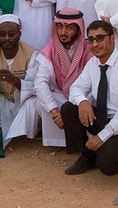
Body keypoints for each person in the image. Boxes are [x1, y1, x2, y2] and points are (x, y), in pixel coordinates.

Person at [61, 20, 118, 176]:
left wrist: (101, 137)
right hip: (106, 119)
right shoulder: (92, 63)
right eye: (91, 39)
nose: (95, 44)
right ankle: (87, 156)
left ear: (112, 38)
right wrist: (83, 101)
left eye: (100, 38)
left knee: (107, 165)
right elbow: (75, 88)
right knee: (69, 108)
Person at [0, 15, 41, 145]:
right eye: (2, 34)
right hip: (2, 101)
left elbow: (35, 87)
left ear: (19, 34)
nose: (6, 38)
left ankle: (26, 136)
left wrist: (14, 80)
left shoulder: (32, 54)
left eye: (11, 34)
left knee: (34, 103)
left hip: (22, 102)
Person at [34, 8, 93, 147]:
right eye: (60, 26)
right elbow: (40, 82)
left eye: (69, 27)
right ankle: (60, 142)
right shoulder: (49, 50)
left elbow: (94, 81)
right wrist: (55, 112)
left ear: (78, 30)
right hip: (62, 96)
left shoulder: (89, 49)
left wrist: (81, 100)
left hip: (84, 97)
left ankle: (87, 140)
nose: (63, 32)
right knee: (42, 99)